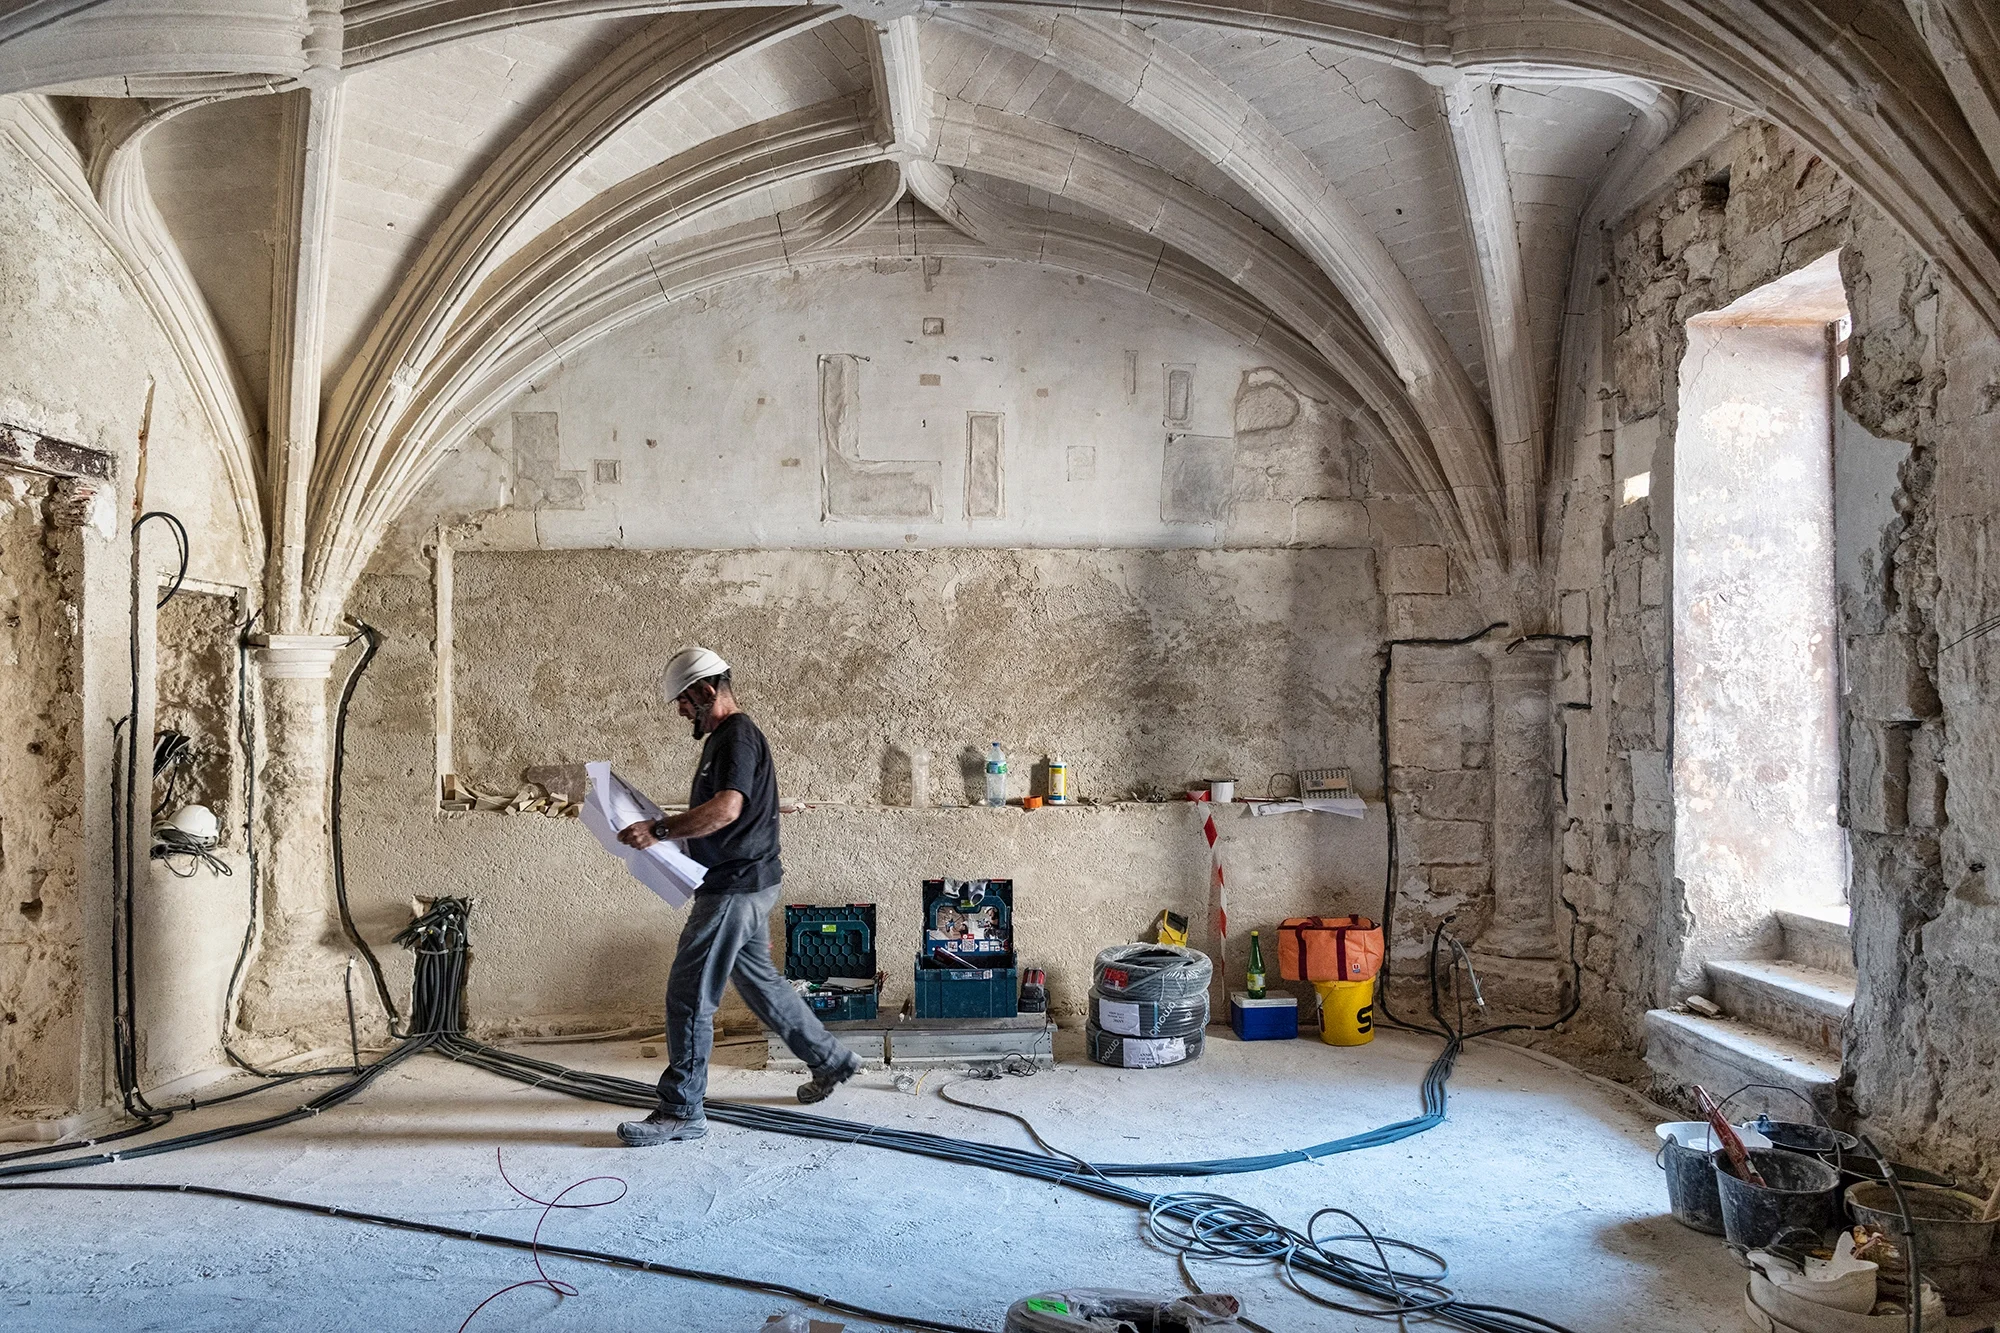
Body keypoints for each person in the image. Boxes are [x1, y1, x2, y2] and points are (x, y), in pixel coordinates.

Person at [612, 647, 861, 1146]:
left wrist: (658, 830)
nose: (681, 711)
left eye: (684, 701)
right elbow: (736, 811)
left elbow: (727, 809)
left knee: (689, 995)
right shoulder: (727, 740)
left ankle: (682, 1110)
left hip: (734, 888)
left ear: (706, 691)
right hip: (748, 882)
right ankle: (831, 1060)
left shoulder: (736, 736)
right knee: (761, 983)